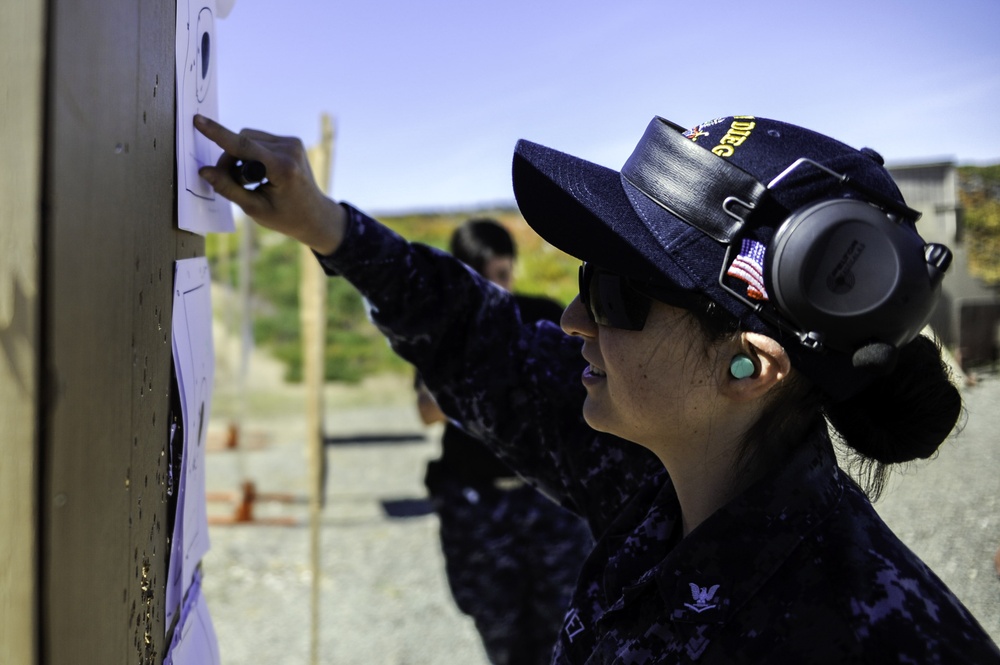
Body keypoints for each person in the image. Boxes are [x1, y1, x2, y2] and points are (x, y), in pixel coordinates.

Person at [195, 113, 1000, 663]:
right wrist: (321, 222)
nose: (575, 316)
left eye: (617, 293)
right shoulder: (655, 479)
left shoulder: (889, 640)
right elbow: (485, 341)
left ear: (750, 365)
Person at [414, 218, 593, 665]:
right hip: (479, 509)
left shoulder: (543, 315)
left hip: (549, 504)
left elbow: (589, 392)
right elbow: (426, 410)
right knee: (502, 634)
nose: (496, 287)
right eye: (482, 276)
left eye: (501, 274)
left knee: (568, 632)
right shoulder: (444, 329)